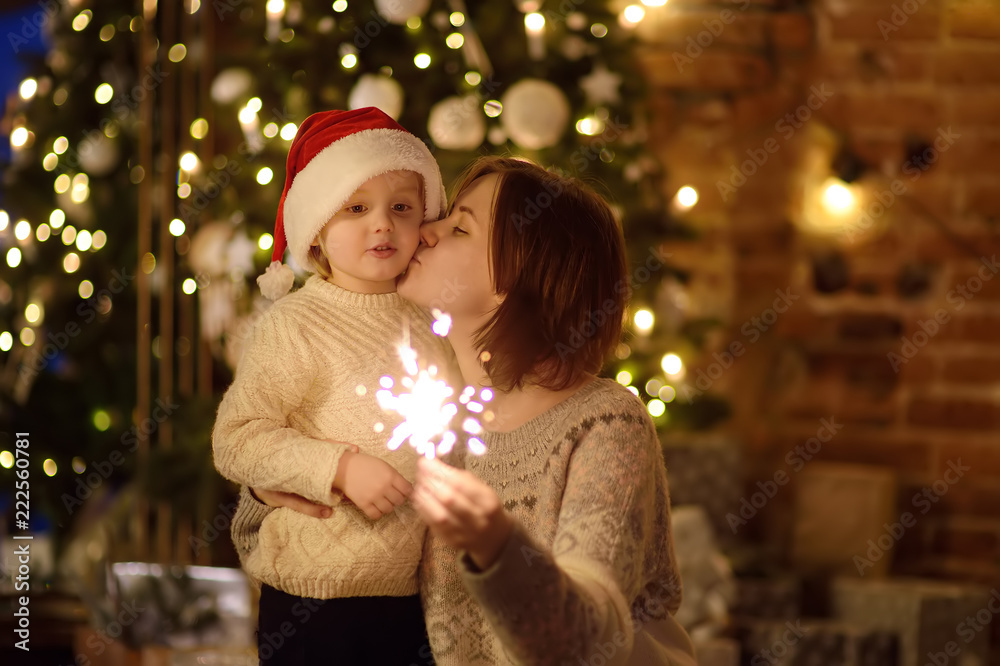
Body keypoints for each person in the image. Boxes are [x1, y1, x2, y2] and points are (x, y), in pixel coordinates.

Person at [238, 156, 696, 664]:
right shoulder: (431, 416)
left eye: (459, 228)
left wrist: (497, 544)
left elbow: (587, 640)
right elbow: (274, 540)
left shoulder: (605, 424)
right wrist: (283, 481)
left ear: (517, 274)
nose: (425, 231)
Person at [212, 107, 453, 665]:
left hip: (410, 595)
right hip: (312, 599)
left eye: (401, 207)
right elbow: (237, 438)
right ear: (318, 226)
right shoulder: (295, 324)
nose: (382, 224)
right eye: (356, 208)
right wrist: (338, 467)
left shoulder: (432, 322)